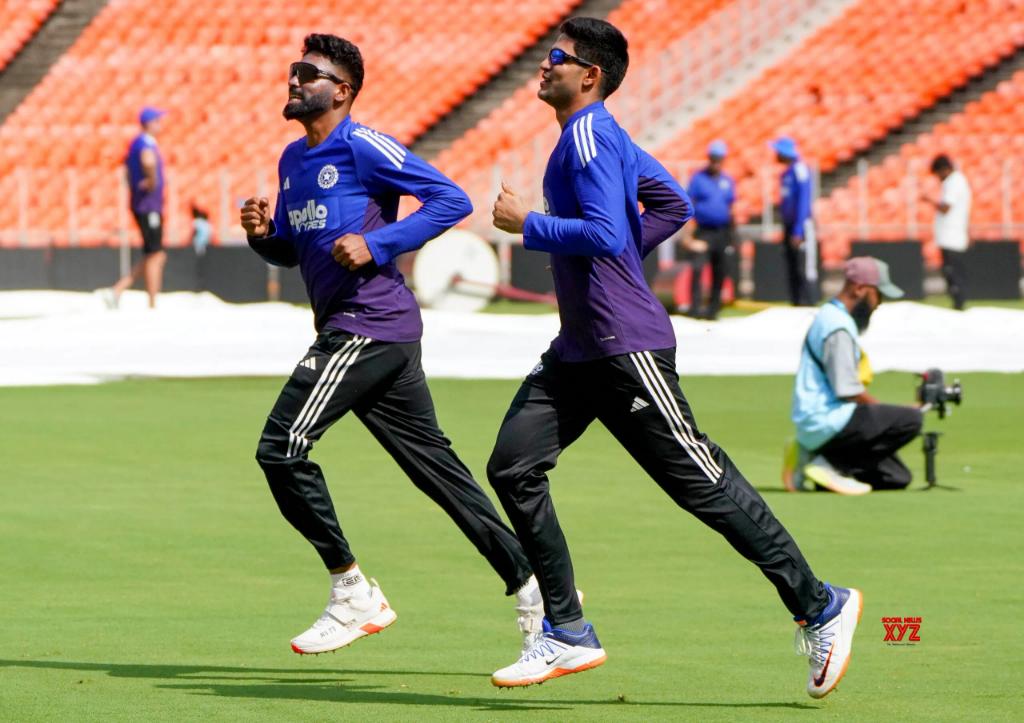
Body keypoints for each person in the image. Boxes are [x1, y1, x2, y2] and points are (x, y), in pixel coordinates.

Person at [487, 17, 861, 698]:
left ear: (589, 75)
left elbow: (607, 233)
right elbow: (671, 203)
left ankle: (820, 604)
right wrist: (621, 256)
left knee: (703, 483)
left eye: (556, 57)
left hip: (624, 346)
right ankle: (567, 629)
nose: (543, 65)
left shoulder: (591, 137)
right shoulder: (599, 136)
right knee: (513, 465)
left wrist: (529, 225)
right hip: (579, 349)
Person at [240, 33, 543, 657]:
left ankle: (353, 593)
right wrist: (265, 236)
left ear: (341, 91)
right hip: (374, 332)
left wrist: (379, 244)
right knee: (440, 475)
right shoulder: (293, 160)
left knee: (281, 448)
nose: (293, 80)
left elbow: (451, 200)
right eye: (294, 70)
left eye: (307, 72)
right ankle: (537, 592)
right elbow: (297, 251)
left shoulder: (363, 145)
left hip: (367, 325)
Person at [785, 257, 922, 495]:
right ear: (860, 289)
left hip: (820, 422)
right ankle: (827, 463)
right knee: (911, 419)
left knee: (897, 477)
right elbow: (847, 390)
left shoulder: (829, 316)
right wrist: (888, 411)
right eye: (878, 295)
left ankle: (821, 463)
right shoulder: (838, 326)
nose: (878, 304)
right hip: (826, 419)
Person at [101, 107, 168, 309]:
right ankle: (147, 300)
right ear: (149, 123)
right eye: (157, 121)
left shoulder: (137, 144)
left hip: (145, 204)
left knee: (154, 253)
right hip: (148, 205)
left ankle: (119, 290)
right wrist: (152, 181)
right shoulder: (145, 143)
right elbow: (148, 161)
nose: (160, 125)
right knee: (155, 254)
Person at [681, 139, 736, 319]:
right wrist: (687, 236)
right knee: (698, 267)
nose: (716, 162)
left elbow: (731, 207)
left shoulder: (727, 181)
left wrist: (732, 235)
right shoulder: (698, 179)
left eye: (719, 159)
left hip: (722, 231)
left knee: (720, 270)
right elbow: (688, 206)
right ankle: (695, 308)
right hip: (703, 231)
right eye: (713, 158)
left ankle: (714, 309)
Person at [922, 154, 972, 310]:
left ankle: (959, 303)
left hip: (952, 235)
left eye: (938, 173)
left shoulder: (954, 182)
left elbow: (946, 208)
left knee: (952, 272)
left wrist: (929, 200)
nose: (938, 178)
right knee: (952, 271)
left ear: (944, 169)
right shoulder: (957, 181)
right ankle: (958, 303)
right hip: (953, 234)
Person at [773, 136, 817, 306]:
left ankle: (808, 303)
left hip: (801, 226)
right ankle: (796, 303)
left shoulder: (800, 169)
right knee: (792, 266)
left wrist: (798, 230)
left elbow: (804, 201)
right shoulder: (787, 173)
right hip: (790, 225)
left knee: (804, 266)